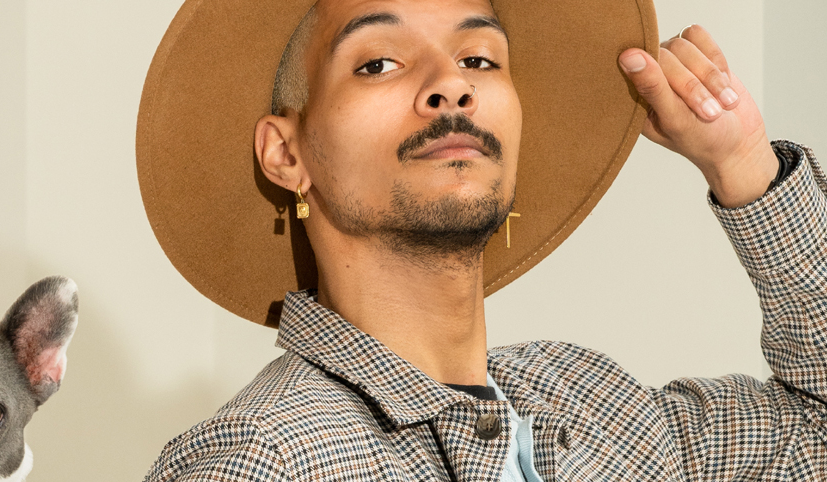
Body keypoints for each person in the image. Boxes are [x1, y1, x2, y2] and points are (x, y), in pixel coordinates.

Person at [135, 0, 826, 479]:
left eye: (480, 58)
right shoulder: (267, 458)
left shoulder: (598, 413)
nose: (452, 85)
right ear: (287, 154)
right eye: (378, 63)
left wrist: (746, 167)